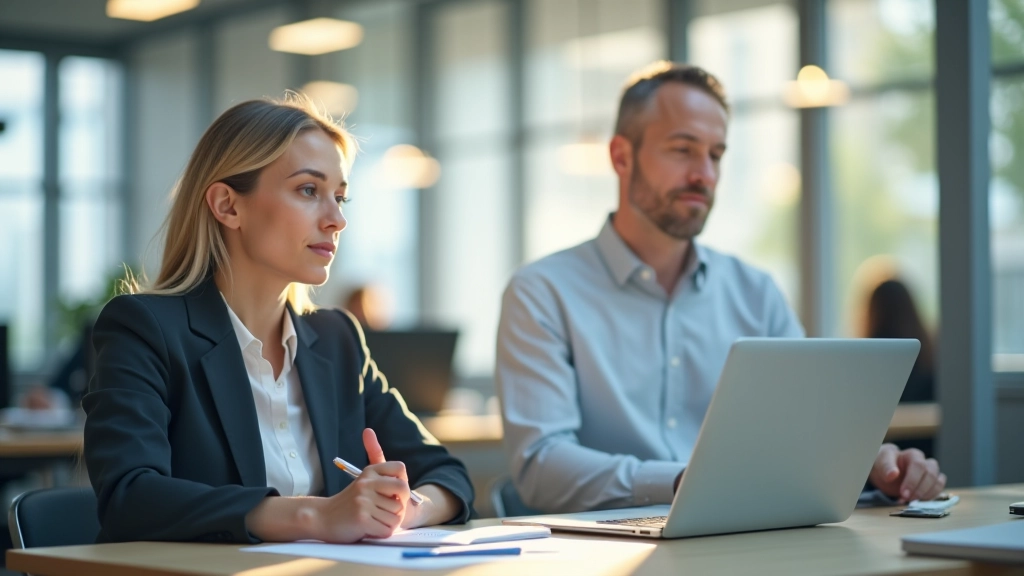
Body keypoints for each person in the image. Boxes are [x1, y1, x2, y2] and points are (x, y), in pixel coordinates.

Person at [495, 61, 945, 514]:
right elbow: (541, 465)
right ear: (621, 157)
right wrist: (676, 483)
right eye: (682, 149)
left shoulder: (757, 293)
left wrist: (874, 463)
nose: (705, 174)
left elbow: (811, 430)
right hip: (604, 548)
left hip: (745, 534)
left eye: (716, 154)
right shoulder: (541, 293)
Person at [83, 95, 472, 544]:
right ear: (228, 206)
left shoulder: (337, 339)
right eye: (309, 190)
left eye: (340, 197)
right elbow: (129, 497)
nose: (337, 220)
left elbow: (446, 475)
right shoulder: (143, 328)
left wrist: (399, 512)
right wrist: (317, 516)